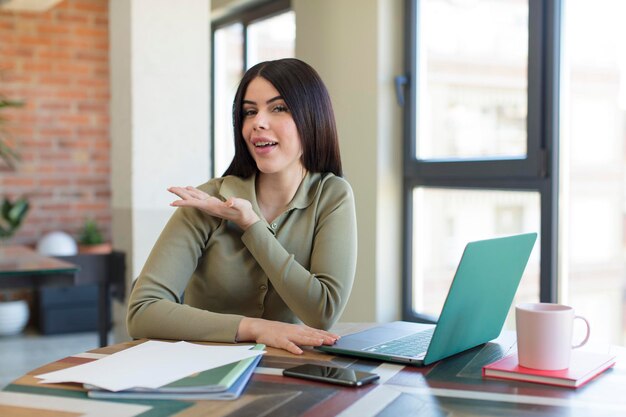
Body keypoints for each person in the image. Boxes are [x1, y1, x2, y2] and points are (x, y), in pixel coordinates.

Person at [127, 58, 358, 354]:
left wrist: (252, 226)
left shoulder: (332, 195)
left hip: (290, 371)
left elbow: (322, 312)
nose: (258, 123)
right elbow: (142, 311)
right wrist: (255, 328)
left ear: (312, 117)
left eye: (278, 108)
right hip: (203, 368)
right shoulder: (208, 200)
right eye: (250, 112)